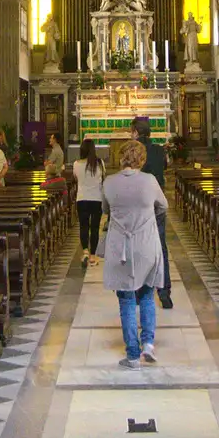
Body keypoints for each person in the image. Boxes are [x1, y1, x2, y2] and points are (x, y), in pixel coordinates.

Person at [103, 139, 168, 369]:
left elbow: (105, 209)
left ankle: (132, 355)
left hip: (121, 246)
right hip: (147, 244)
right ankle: (148, 344)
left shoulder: (110, 182)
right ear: (142, 159)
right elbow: (163, 206)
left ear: (121, 158)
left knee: (127, 299)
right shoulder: (149, 181)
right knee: (148, 295)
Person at [132, 116, 173, 308]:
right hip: (157, 202)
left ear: (135, 133)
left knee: (139, 247)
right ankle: (164, 293)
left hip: (140, 204)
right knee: (160, 247)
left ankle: (140, 292)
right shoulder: (158, 149)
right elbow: (165, 166)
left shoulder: (133, 150)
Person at [74, 137, 106, 265]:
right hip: (96, 198)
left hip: (82, 198)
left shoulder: (76, 164)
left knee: (83, 225)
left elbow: (76, 179)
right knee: (94, 227)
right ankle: (93, 256)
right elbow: (103, 178)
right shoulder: (100, 163)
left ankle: (85, 252)